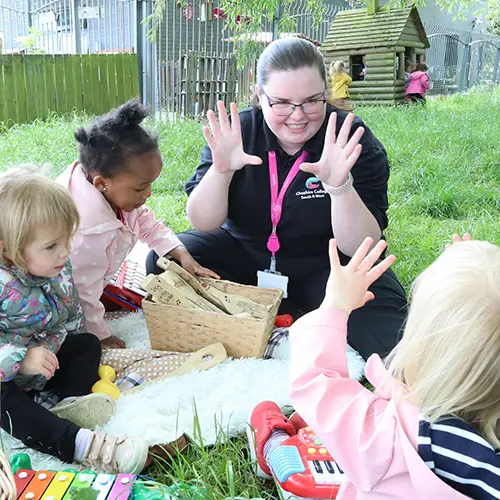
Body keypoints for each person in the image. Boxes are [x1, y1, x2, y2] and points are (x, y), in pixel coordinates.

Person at [147, 37, 407, 360]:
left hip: (326, 268)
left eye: (312, 101)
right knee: (166, 262)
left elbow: (360, 246)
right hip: (246, 256)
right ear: (259, 95)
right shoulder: (238, 131)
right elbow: (203, 221)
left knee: (391, 338)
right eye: (281, 102)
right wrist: (222, 170)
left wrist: (340, 187)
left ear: (326, 93)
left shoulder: (350, 138)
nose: (297, 116)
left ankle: (284, 314)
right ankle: (282, 313)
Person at [250, 236, 500, 498]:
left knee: (305, 456)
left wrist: (334, 306)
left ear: (421, 349)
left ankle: (272, 442)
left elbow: (317, 384)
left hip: (361, 469)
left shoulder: (387, 435)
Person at [0, 168, 148, 473]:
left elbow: (70, 316)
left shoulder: (57, 267)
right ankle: (75, 442)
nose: (65, 252)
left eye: (67, 239)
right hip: (10, 373)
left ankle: (70, 405)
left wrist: (60, 347)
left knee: (86, 344)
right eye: (52, 246)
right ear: (9, 249)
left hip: (46, 363)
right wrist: (21, 360)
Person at [57, 99, 218, 349]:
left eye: (151, 183)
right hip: (57, 294)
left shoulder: (114, 195)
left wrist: (181, 254)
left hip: (90, 276)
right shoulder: (86, 231)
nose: (149, 193)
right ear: (102, 183)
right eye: (141, 187)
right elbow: (82, 292)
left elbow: (146, 223)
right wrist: (101, 335)